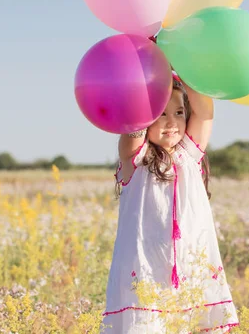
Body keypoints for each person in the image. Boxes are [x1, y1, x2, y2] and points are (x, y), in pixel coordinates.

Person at [101, 74, 239, 333]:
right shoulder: (136, 160)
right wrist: (147, 82)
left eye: (178, 112)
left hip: (191, 262)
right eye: (160, 113)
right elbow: (132, 129)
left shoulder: (190, 153)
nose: (171, 122)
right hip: (145, 267)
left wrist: (184, 71)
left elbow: (205, 111)